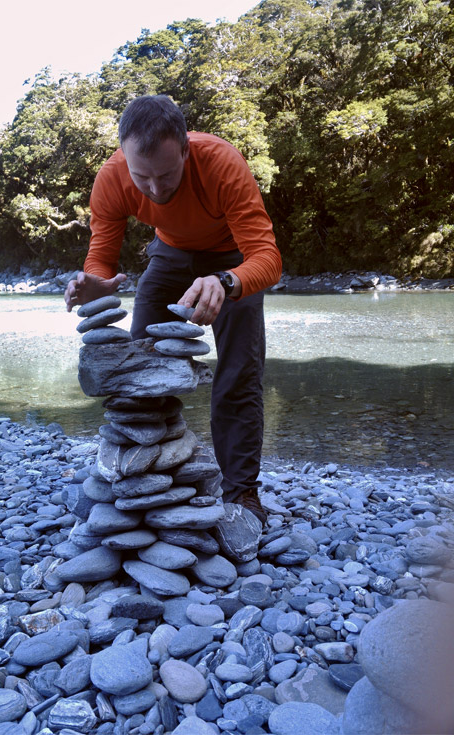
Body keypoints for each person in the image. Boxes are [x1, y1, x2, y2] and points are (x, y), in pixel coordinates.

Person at [64, 95, 282, 519]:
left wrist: (227, 281)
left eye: (166, 175)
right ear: (124, 156)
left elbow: (268, 260)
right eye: (142, 177)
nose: (156, 189)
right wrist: (95, 283)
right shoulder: (111, 178)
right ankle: (145, 478)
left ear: (186, 149)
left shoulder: (221, 163)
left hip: (232, 258)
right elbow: (101, 259)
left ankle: (241, 494)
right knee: (141, 364)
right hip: (169, 253)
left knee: (239, 373)